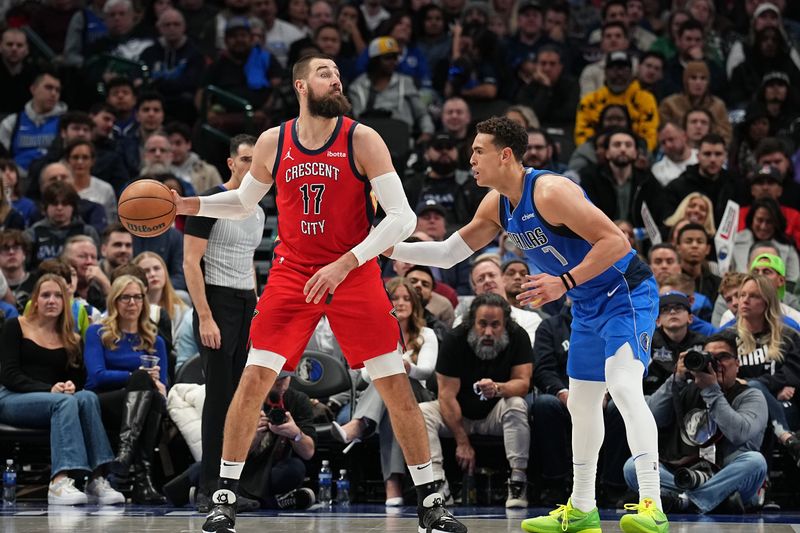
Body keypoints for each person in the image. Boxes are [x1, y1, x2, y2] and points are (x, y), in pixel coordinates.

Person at [172, 53, 465, 533]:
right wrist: (190, 203)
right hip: (293, 273)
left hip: (353, 271)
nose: (337, 78)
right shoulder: (273, 141)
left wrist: (347, 261)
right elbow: (245, 200)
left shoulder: (362, 138)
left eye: (338, 72)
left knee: (394, 384)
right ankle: (223, 494)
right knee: (253, 381)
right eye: (325, 72)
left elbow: (403, 219)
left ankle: (431, 499)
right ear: (301, 86)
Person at [388, 116, 668, 532]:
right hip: (586, 304)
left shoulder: (551, 191)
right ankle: (582, 508)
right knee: (583, 404)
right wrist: (381, 246)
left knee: (624, 386)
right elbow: (448, 253)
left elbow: (616, 242)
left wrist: (564, 281)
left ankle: (652, 504)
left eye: (478, 152)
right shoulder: (495, 204)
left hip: (625, 293)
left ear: (505, 155)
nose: (471, 160)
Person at [182, 134, 265, 510]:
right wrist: (205, 316)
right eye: (245, 160)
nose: (251, 167)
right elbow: (190, 262)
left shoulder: (260, 209)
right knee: (218, 399)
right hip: (215, 302)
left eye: (257, 161)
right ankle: (206, 487)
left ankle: (231, 485)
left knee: (241, 399)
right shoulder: (210, 204)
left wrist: (257, 303)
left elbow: (248, 261)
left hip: (246, 303)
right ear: (231, 163)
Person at [0, 274, 125, 506]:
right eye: (45, 295)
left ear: (66, 302)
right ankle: (59, 482)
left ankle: (97, 479)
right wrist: (50, 389)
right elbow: (9, 375)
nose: (51, 300)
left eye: (58, 296)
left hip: (53, 401)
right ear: (35, 300)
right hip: (11, 398)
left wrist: (69, 386)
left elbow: (76, 379)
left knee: (86, 397)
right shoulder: (15, 326)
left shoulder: (72, 337)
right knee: (65, 402)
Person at [624, 332, 769, 513]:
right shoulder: (685, 388)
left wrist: (711, 391)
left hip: (726, 473)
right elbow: (648, 417)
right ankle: (712, 500)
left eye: (723, 357)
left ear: (737, 364)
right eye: (709, 358)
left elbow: (738, 433)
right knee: (633, 465)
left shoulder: (750, 395)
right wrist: (676, 379)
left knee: (755, 462)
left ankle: (684, 501)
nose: (716, 364)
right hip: (683, 472)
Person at [331, 277, 439, 506]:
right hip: (390, 399)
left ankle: (359, 425)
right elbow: (364, 375)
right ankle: (394, 486)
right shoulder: (375, 332)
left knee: (395, 383)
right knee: (392, 394)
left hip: (420, 395)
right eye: (394, 298)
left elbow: (427, 372)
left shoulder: (427, 334)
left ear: (415, 304)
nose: (400, 303)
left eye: (406, 298)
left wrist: (406, 367)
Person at [419, 293, 532, 508]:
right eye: (482, 324)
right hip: (457, 414)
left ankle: (517, 480)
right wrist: (462, 442)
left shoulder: (518, 336)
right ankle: (437, 483)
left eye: (495, 325)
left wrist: (498, 388)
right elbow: (446, 395)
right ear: (472, 322)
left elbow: (523, 384)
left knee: (517, 404)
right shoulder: (455, 339)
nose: (488, 332)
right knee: (422, 412)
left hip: (494, 413)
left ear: (505, 324)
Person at [84, 275, 168, 504]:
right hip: (103, 400)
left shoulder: (154, 339)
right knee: (143, 380)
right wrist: (136, 376)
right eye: (125, 297)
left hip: (141, 405)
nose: (132, 302)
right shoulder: (98, 332)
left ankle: (130, 467)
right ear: (114, 301)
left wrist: (157, 384)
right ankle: (139, 474)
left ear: (144, 301)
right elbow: (97, 376)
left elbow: (164, 384)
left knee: (152, 397)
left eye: (137, 297)